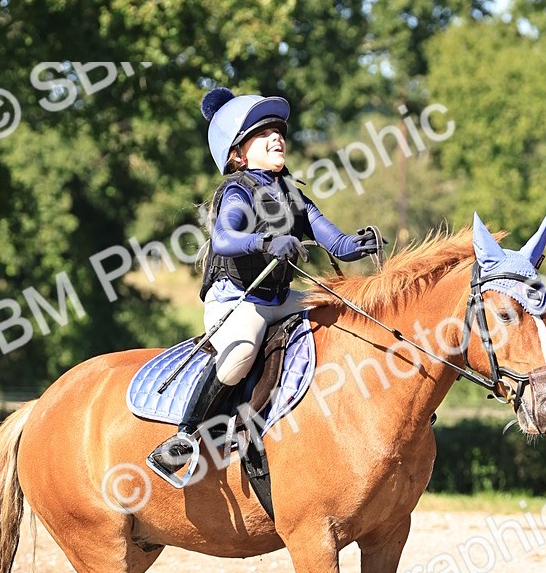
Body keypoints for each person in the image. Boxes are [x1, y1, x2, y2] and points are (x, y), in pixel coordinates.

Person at [149, 87, 379, 473]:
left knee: (346, 314)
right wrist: (267, 241)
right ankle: (184, 436)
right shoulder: (237, 190)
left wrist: (360, 245)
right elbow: (224, 238)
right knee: (240, 354)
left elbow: (335, 243)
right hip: (238, 301)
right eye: (262, 133)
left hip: (281, 298)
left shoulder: (292, 194)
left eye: (279, 131)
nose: (277, 137)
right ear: (238, 154)